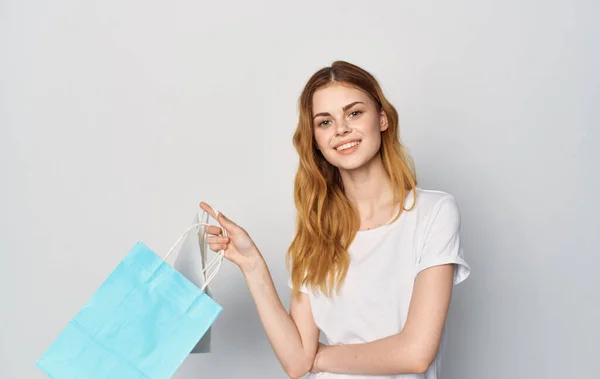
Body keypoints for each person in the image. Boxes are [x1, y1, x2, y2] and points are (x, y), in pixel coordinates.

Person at [199, 60, 471, 378]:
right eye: (325, 122)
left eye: (354, 113)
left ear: (382, 118)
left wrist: (320, 357)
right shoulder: (315, 233)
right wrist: (252, 264)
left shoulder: (434, 213)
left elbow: (416, 354)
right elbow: (296, 361)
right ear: (315, 139)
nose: (341, 129)